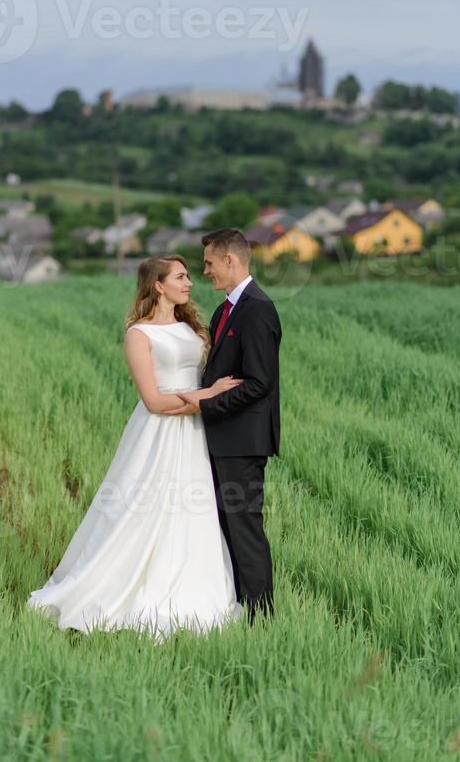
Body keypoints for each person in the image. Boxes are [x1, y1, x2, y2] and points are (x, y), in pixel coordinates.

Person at [27, 254, 243, 641]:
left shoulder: (193, 328)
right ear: (158, 285)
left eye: (190, 275)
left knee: (193, 509)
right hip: (158, 432)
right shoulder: (139, 334)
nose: (190, 282)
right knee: (141, 507)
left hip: (195, 431)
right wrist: (207, 395)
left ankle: (194, 586)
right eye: (180, 276)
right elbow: (154, 402)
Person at [166, 228, 281, 623]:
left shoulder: (258, 309)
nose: (205, 272)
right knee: (223, 528)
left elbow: (259, 383)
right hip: (220, 439)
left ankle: (260, 617)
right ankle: (234, 607)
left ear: (230, 261)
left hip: (242, 442)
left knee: (244, 527)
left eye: (210, 264)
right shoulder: (224, 310)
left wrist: (207, 403)